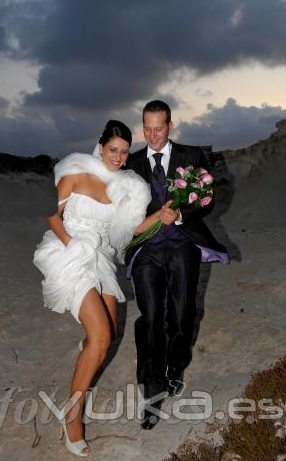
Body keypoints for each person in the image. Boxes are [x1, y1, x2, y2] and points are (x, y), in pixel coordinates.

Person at [33, 120, 155, 456]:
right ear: (100, 146)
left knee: (106, 335)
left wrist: (162, 216)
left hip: (101, 258)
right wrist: (72, 244)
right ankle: (71, 417)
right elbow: (51, 215)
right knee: (101, 338)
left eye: (124, 152)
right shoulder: (74, 171)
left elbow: (133, 229)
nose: (118, 157)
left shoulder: (126, 187)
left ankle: (87, 348)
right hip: (70, 251)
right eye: (113, 149)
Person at [126, 100, 228, 430]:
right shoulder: (132, 163)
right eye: (147, 128)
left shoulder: (191, 156)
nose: (152, 135)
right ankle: (152, 391)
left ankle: (176, 364)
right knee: (151, 318)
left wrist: (182, 215)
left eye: (159, 128)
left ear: (170, 126)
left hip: (183, 246)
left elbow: (206, 200)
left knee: (182, 313)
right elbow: (124, 211)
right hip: (147, 252)